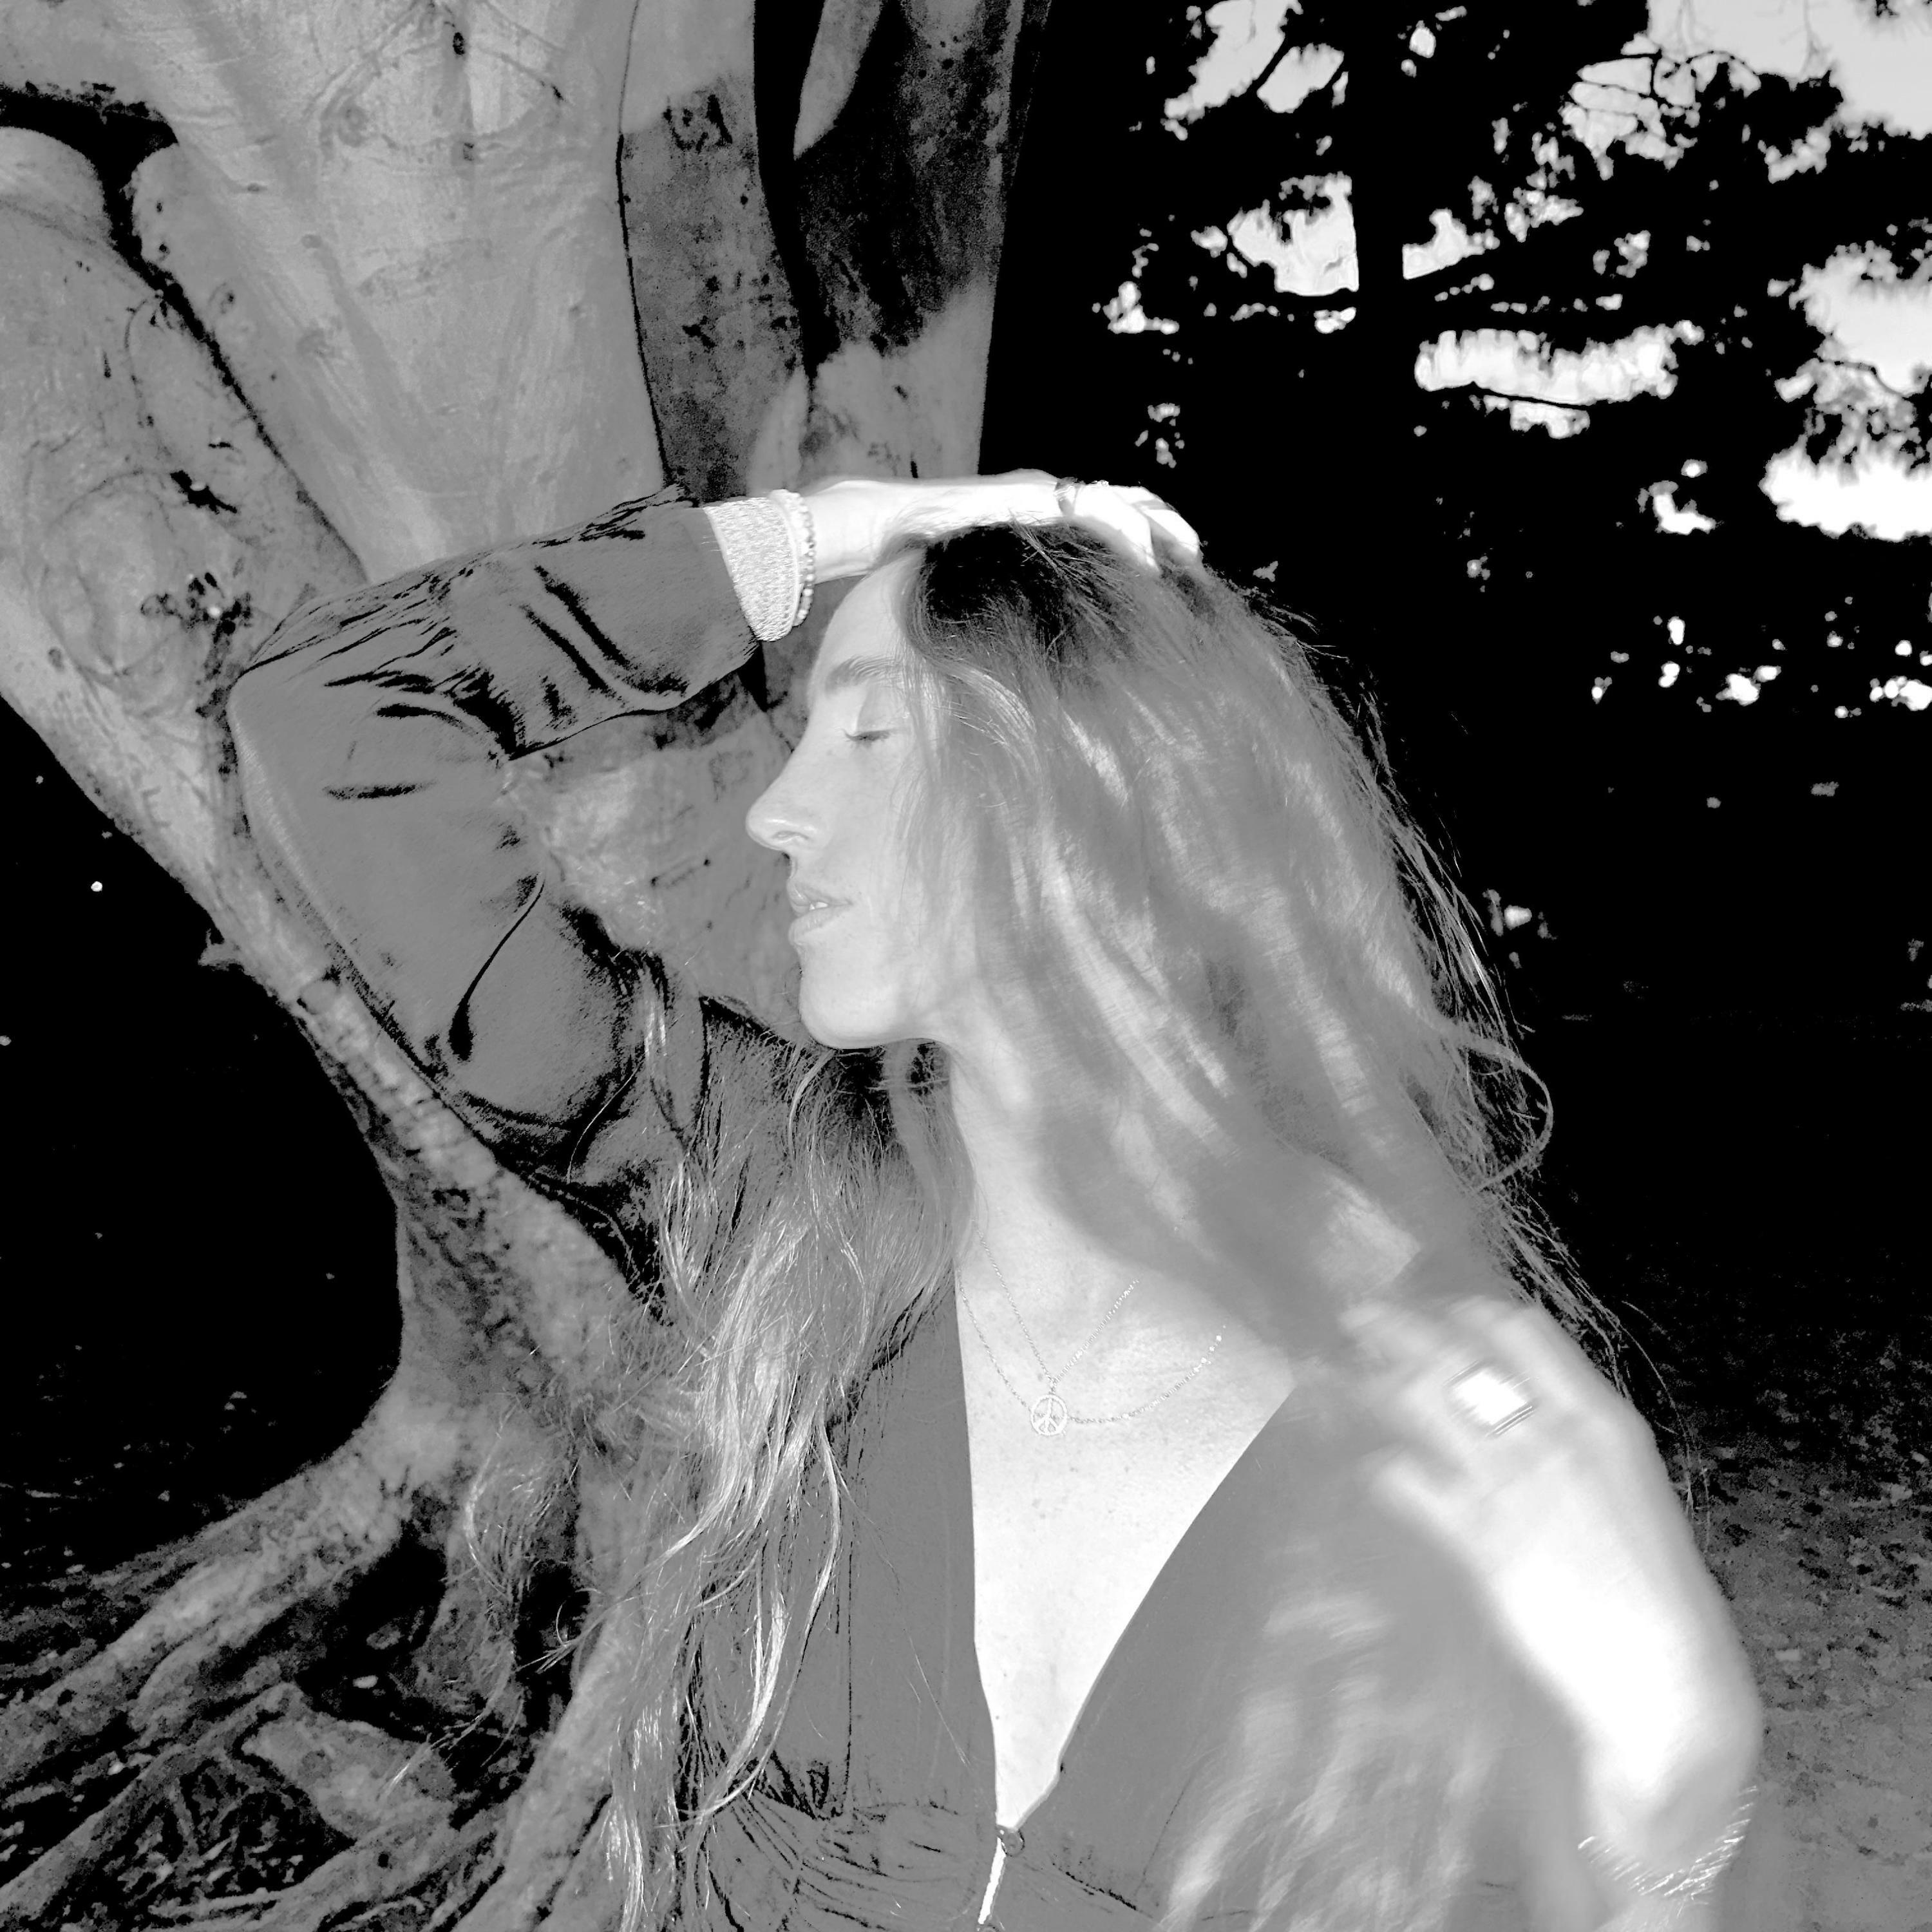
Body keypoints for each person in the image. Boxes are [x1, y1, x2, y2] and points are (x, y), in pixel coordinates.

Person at [228, 475, 1766, 1932]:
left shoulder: (1452, 1420)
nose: (779, 811)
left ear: (1088, 786)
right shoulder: (795, 1203)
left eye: (870, 734)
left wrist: (1672, 1805)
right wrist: (859, 529)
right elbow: (333, 718)